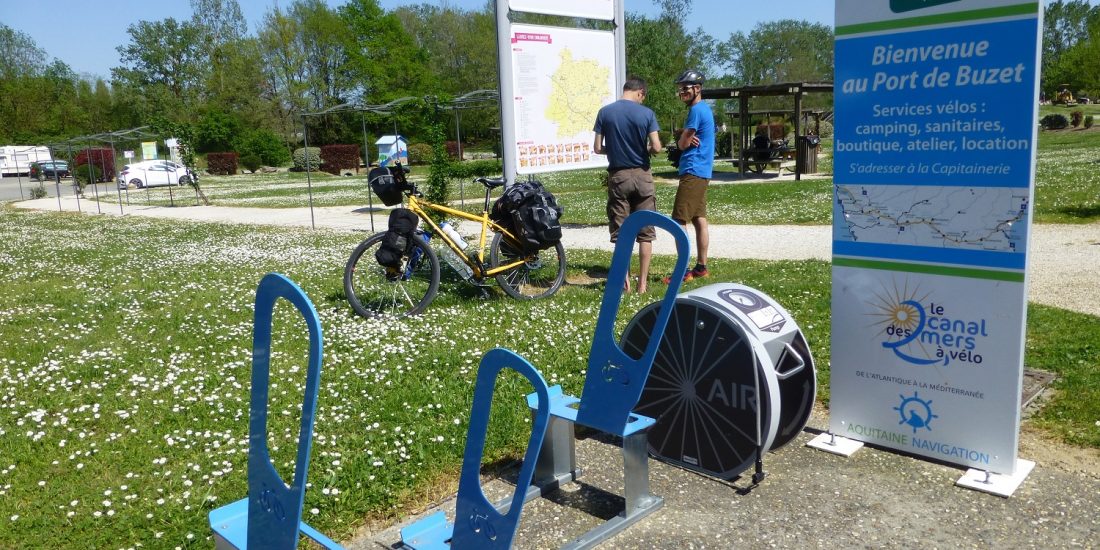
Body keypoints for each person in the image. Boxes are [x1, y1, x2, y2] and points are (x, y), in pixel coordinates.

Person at [593, 76, 663, 293]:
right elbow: (657, 147)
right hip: (642, 175)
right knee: (645, 232)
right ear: (640, 92)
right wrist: (647, 150)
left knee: (621, 232)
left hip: (618, 176)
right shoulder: (647, 114)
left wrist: (613, 149)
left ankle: (624, 281)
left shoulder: (605, 112)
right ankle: (643, 284)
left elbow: (597, 148)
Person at [665, 68, 714, 284]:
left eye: (685, 88)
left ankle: (683, 271)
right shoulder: (705, 110)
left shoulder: (696, 111)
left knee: (678, 220)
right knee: (698, 219)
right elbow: (686, 138)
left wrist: (681, 140)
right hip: (702, 171)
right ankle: (701, 267)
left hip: (693, 170)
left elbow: (683, 144)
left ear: (697, 88)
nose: (682, 92)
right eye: (680, 89)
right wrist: (684, 138)